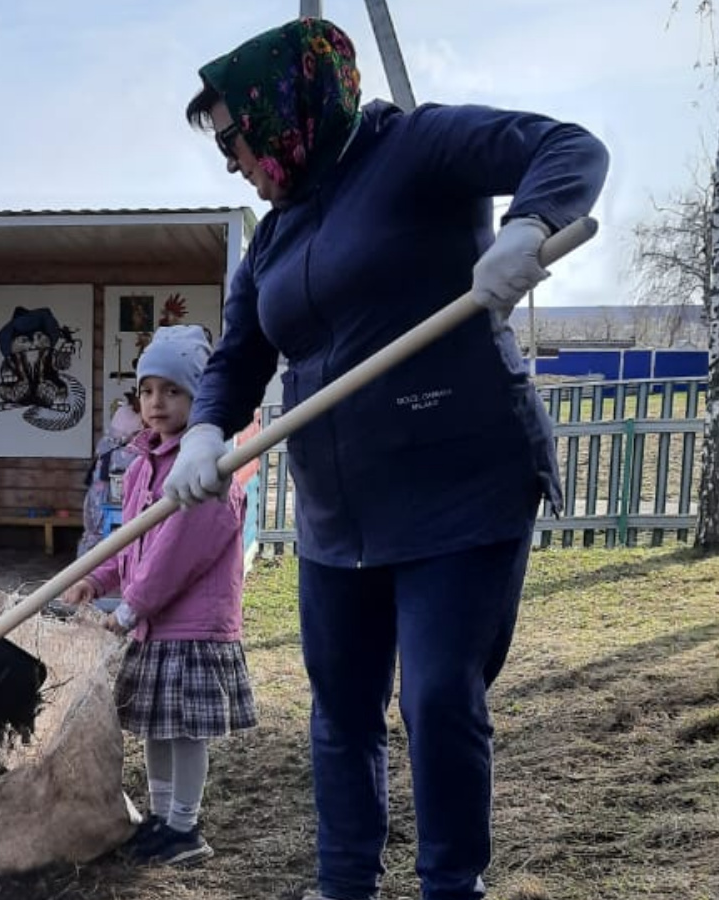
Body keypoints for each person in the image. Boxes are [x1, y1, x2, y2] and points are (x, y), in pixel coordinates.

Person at [162, 17, 609, 900]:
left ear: (285, 109)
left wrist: (528, 226)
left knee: (437, 697)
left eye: (234, 137)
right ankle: (344, 885)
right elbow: (239, 355)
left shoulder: (416, 148)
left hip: (461, 491)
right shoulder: (274, 236)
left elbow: (569, 148)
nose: (230, 161)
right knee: (341, 707)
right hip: (340, 515)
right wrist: (206, 429)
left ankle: (451, 885)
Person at [61, 325, 257, 868]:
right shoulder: (143, 465)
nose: (156, 402)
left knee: (185, 734)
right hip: (154, 625)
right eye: (147, 390)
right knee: (156, 727)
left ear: (201, 399)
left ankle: (185, 828)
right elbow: (130, 543)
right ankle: (161, 817)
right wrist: (98, 579)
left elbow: (174, 558)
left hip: (191, 629)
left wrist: (129, 610)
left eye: (173, 391)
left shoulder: (210, 473)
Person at [77, 393, 143, 558]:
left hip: (107, 481)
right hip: (107, 489)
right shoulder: (130, 415)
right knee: (98, 532)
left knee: (95, 532)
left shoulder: (126, 416)